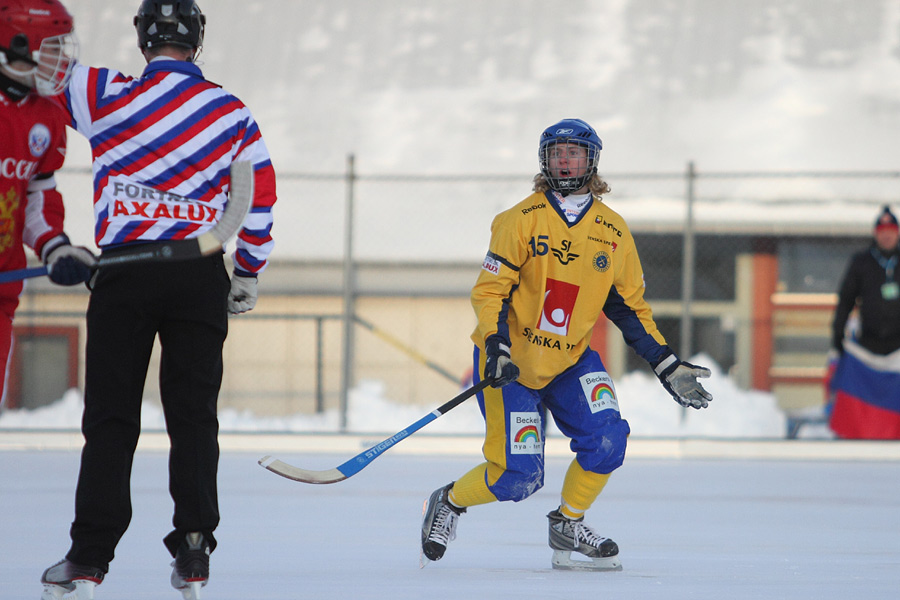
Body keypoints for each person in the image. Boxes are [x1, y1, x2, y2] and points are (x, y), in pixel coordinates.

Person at [40, 2, 277, 598]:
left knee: (112, 419)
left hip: (124, 270)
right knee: (193, 416)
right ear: (197, 42)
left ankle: (89, 557)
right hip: (199, 270)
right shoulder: (231, 110)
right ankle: (194, 548)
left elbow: (39, 67)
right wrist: (246, 270)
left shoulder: (101, 93)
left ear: (143, 41)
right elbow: (259, 198)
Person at [420, 118, 712, 571]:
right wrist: (495, 346)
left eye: (574, 152)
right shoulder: (518, 220)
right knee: (519, 477)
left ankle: (568, 523)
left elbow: (628, 307)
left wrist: (666, 363)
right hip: (511, 362)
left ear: (592, 161)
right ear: (545, 160)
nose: (565, 160)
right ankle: (449, 501)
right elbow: (490, 292)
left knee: (609, 439)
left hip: (571, 360)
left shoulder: (613, 232)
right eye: (557, 152)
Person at [0, 0, 95, 407]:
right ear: (20, 45)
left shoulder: (47, 115)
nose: (61, 58)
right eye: (53, 47)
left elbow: (37, 195)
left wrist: (57, 248)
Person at [827, 205, 900, 439]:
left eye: (891, 229)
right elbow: (845, 300)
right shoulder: (861, 262)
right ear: (875, 233)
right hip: (867, 345)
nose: (886, 235)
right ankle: (858, 433)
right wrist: (838, 335)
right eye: (882, 230)